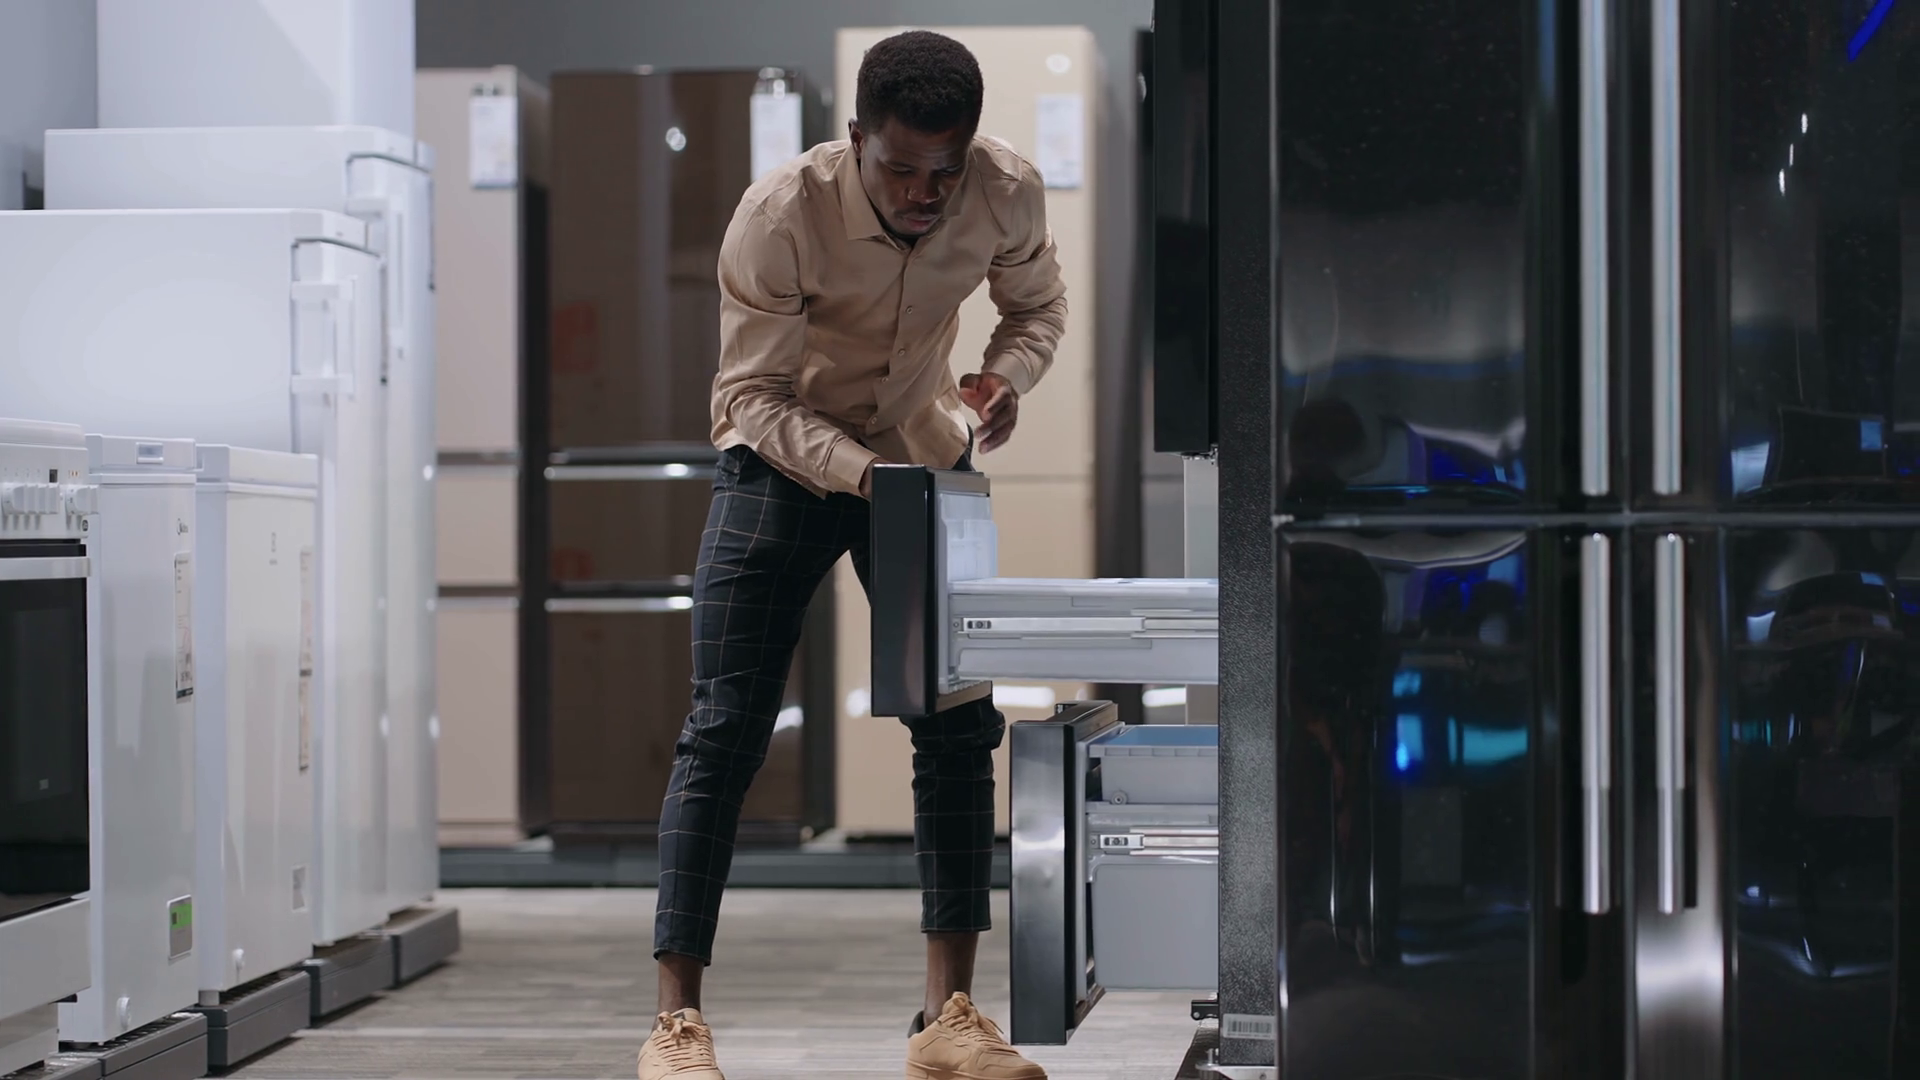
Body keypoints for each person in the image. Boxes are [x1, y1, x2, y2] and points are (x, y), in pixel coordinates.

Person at [635, 29, 1068, 1080]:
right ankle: (676, 1025)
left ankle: (948, 1020)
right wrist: (863, 475)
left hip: (919, 450)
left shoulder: (1007, 189)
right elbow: (751, 394)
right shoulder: (780, 214)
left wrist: (1004, 378)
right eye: (901, 170)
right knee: (725, 729)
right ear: (857, 138)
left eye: (944, 172)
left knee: (957, 728)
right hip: (781, 458)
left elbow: (1037, 306)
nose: (925, 194)